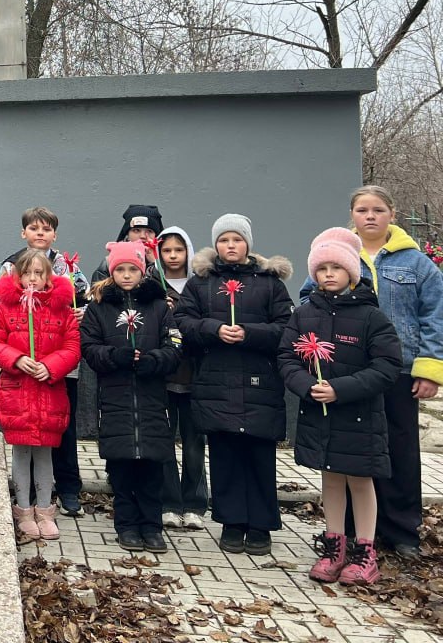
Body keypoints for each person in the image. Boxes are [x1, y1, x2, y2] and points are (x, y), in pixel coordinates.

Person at [314, 186, 443, 558]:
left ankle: (401, 530)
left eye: (378, 210)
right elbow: (311, 300)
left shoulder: (417, 264)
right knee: (351, 451)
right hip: (349, 375)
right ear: (352, 215)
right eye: (362, 210)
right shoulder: (338, 254)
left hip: (400, 372)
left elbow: (435, 317)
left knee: (400, 449)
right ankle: (351, 530)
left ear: (392, 214)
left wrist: (429, 370)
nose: (370, 216)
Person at [280, 228, 401, 585]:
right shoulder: (304, 314)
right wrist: (307, 386)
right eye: (322, 268)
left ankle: (365, 552)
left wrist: (340, 389)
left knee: (360, 481)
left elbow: (386, 366)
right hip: (319, 414)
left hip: (358, 416)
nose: (329, 274)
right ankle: (334, 548)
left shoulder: (372, 317)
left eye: (336, 267)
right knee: (330, 479)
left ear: (352, 271)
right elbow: (286, 356)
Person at [175, 214, 293, 556]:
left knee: (259, 456)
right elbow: (183, 320)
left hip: (259, 383)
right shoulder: (201, 282)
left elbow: (286, 326)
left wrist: (249, 333)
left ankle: (260, 524)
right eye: (224, 240)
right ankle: (231, 521)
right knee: (224, 454)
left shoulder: (269, 283)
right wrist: (214, 329)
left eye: (237, 240)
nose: (230, 245)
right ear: (216, 244)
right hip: (216, 381)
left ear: (247, 244)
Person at [81, 241, 180, 553]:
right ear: (112, 272)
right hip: (116, 399)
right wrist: (115, 356)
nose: (126, 275)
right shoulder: (99, 307)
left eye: (132, 269)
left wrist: (155, 360)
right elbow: (89, 347)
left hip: (152, 400)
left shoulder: (159, 306)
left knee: (152, 469)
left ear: (142, 271)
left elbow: (175, 343)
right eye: (120, 269)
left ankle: (152, 526)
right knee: (121, 469)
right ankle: (126, 525)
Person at [0, 206, 89, 515]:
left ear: (54, 234)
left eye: (46, 229)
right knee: (26, 433)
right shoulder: (11, 265)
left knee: (62, 428)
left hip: (57, 366)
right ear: (24, 232)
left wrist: (82, 314)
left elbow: (87, 299)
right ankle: (28, 496)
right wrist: (5, 360)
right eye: (34, 228)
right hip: (21, 366)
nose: (40, 234)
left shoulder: (67, 266)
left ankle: (68, 488)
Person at [0, 249, 81, 542]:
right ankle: (23, 509)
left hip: (48, 392)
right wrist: (15, 359)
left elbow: (72, 347)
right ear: (17, 276)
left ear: (48, 276)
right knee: (21, 452)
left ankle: (44, 509)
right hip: (17, 392)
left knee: (45, 453)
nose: (32, 278)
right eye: (27, 273)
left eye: (39, 273)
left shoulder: (61, 309)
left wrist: (50, 366)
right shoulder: (5, 308)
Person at [154, 226, 208, 531]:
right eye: (167, 251)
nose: (173, 256)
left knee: (194, 442)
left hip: (195, 375)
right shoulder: (153, 284)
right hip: (164, 375)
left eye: (179, 250)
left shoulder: (199, 285)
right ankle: (169, 503)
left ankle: (195, 503)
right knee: (164, 440)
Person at [91, 204, 163, 282]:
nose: (143, 236)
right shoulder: (109, 263)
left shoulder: (167, 261)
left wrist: (155, 264)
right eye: (136, 230)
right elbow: (97, 288)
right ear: (127, 234)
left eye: (149, 231)